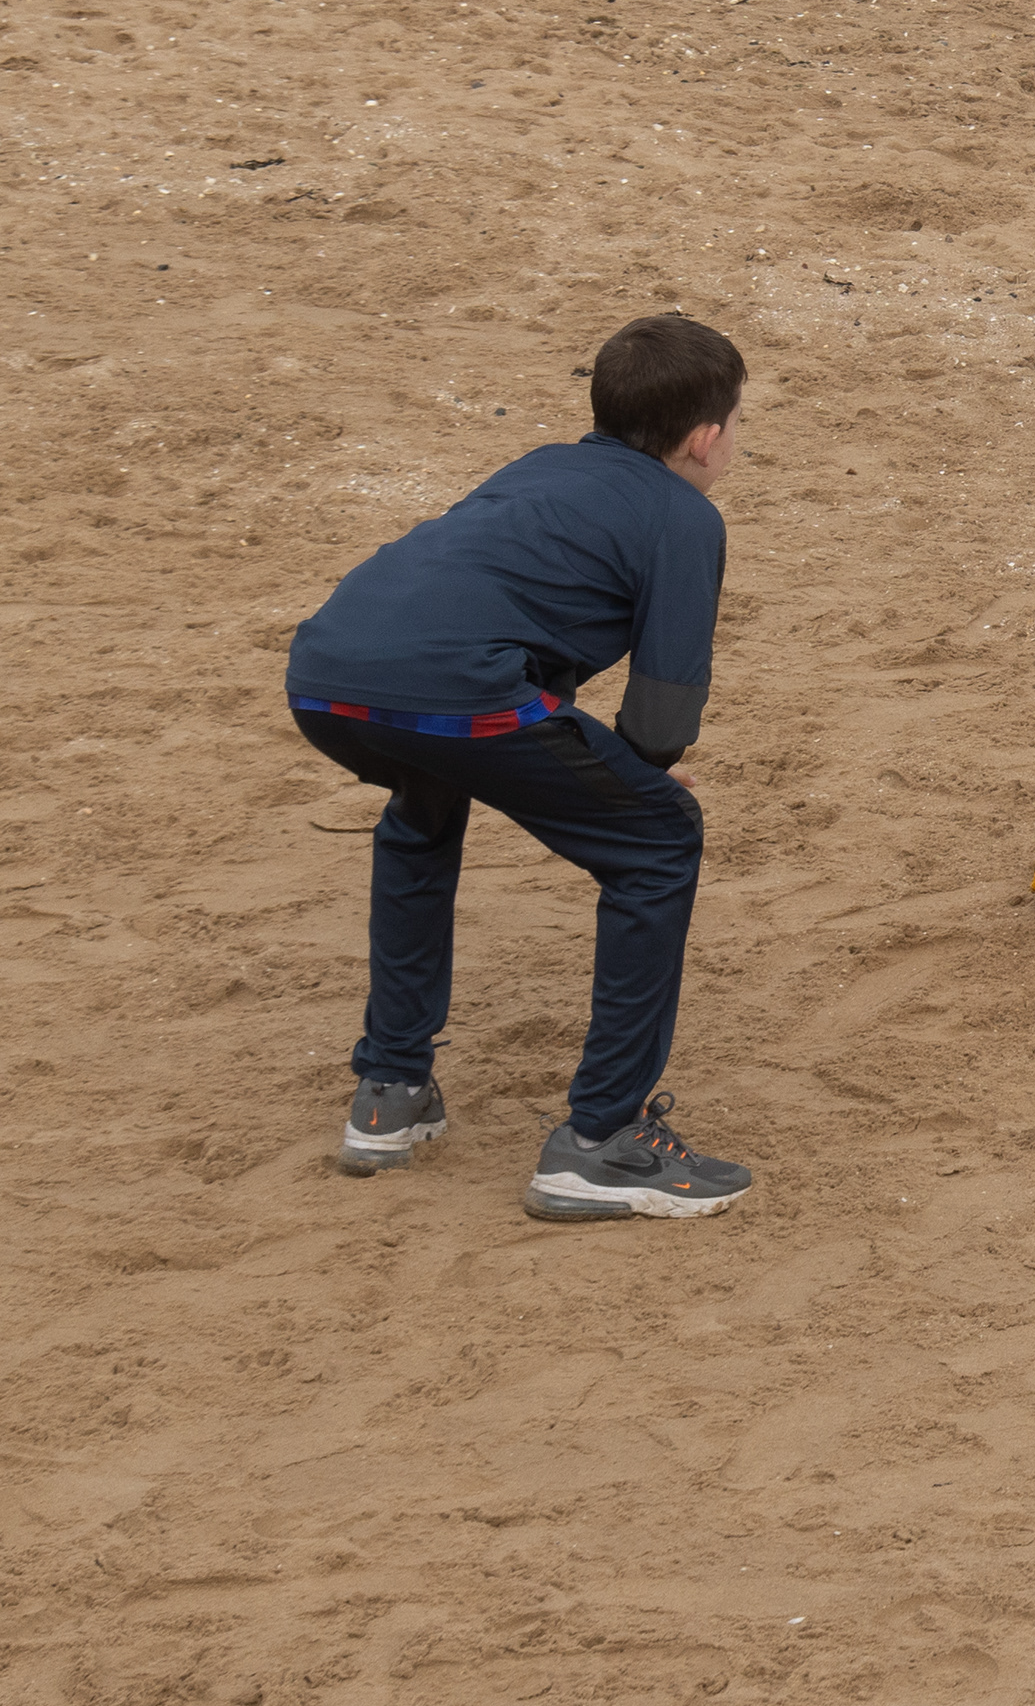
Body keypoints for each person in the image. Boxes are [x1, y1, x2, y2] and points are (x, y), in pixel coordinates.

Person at [288, 313, 752, 1217]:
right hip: (461, 691)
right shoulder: (685, 518)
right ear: (706, 437)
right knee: (660, 839)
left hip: (324, 676)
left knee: (427, 795)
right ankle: (600, 1142)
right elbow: (661, 717)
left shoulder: (538, 467)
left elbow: (491, 609)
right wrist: (644, 775)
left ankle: (390, 1093)